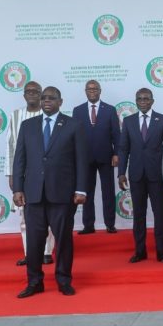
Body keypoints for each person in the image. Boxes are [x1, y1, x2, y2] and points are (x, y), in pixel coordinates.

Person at [12, 86, 88, 298]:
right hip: (33, 194)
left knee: (63, 240)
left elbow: (82, 161)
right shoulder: (27, 126)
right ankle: (34, 282)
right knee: (35, 241)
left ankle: (63, 280)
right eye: (44, 97)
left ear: (60, 102)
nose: (46, 100)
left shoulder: (74, 125)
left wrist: (81, 189)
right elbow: (19, 160)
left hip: (63, 195)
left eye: (51, 98)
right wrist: (17, 188)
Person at [4, 81, 55, 266]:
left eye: (36, 92)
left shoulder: (49, 114)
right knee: (25, 216)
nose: (32, 94)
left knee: (48, 213)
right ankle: (29, 253)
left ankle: (47, 252)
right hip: (24, 174)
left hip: (47, 174)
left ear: (42, 95)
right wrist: (11, 175)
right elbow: (10, 146)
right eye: (28, 91)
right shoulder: (16, 115)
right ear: (24, 95)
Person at [118, 88, 163, 263]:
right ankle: (140, 251)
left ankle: (161, 251)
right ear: (135, 100)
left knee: (159, 214)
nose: (142, 101)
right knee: (139, 214)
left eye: (146, 98)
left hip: (157, 175)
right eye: (139, 98)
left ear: (152, 101)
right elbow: (123, 149)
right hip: (136, 175)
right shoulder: (128, 121)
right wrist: (121, 173)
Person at [72, 79, 121, 234]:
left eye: (95, 88)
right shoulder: (77, 110)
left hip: (106, 157)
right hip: (84, 159)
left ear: (100, 91)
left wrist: (116, 153)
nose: (92, 91)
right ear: (85, 91)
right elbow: (75, 136)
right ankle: (88, 225)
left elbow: (116, 135)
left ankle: (110, 224)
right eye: (89, 89)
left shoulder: (110, 110)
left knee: (108, 192)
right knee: (87, 192)